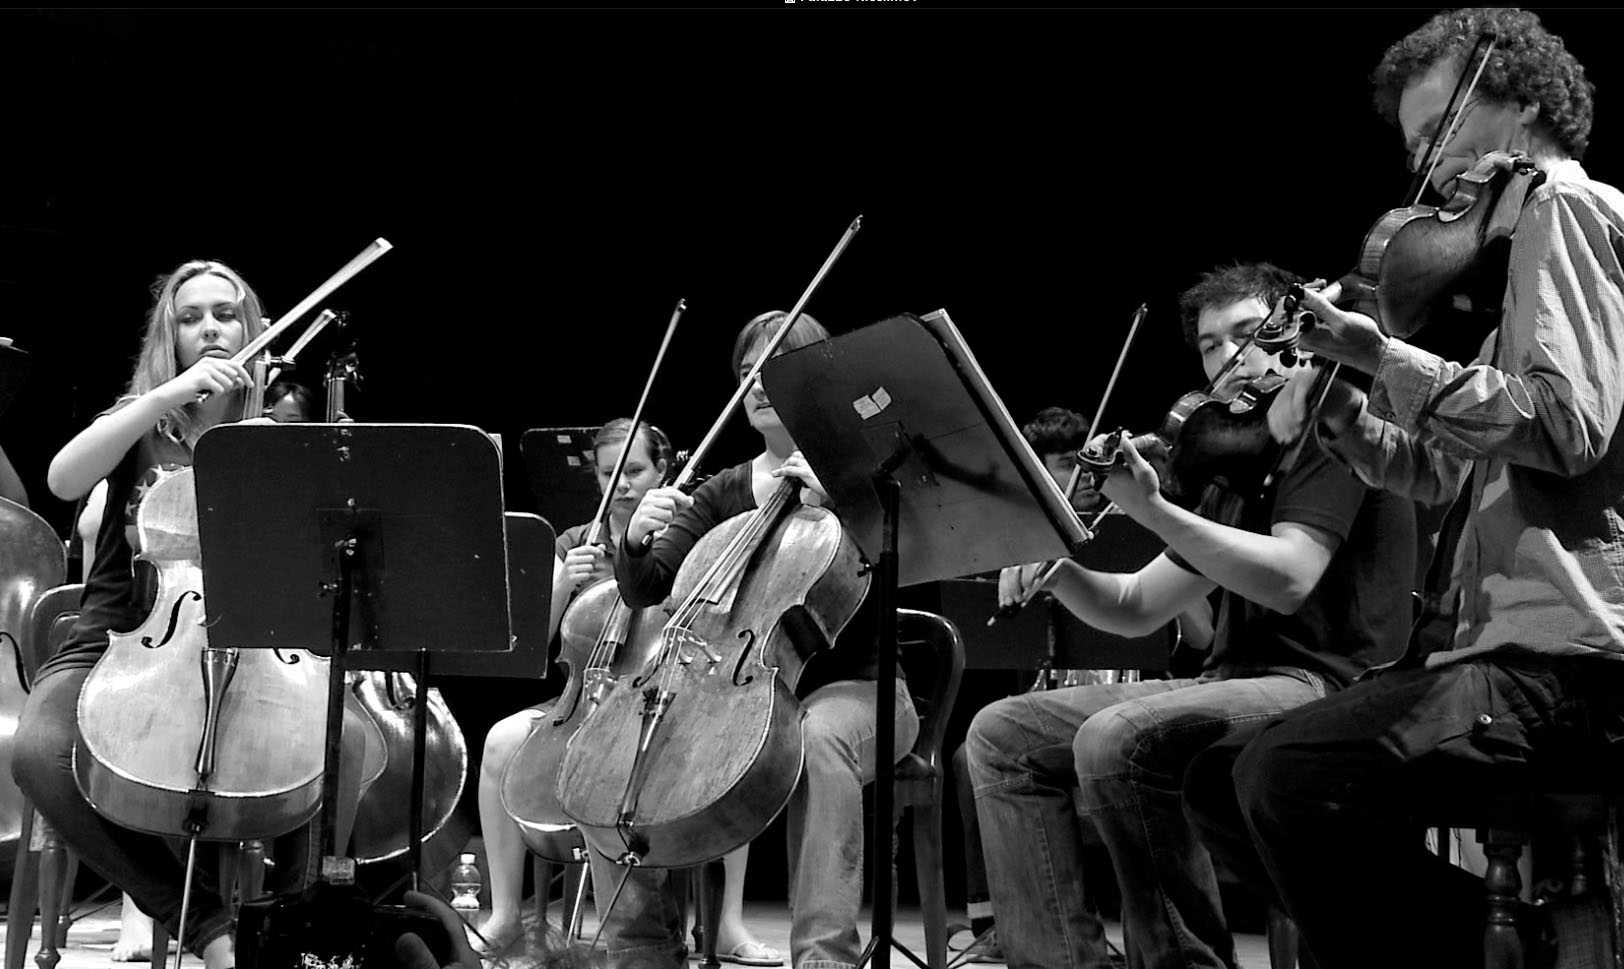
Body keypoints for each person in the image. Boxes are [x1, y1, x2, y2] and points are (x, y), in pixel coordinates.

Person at [1183, 10, 1624, 969]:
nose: (1427, 165)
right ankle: (1526, 947)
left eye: (1439, 130)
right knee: (1220, 780)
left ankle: (1528, 951)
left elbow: (1565, 426)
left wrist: (1382, 354)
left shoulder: (1568, 208)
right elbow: (1438, 472)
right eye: (1416, 144)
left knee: (1286, 779)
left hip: (1569, 661)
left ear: (1520, 103)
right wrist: (1346, 412)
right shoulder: (1505, 281)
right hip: (1489, 652)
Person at [965, 262, 1416, 969]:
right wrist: (1061, 574)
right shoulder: (1236, 462)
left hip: (1329, 684)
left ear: (1295, 332)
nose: (1232, 357)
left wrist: (1153, 509)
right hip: (1236, 682)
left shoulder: (1332, 428)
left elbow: (1291, 577)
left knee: (1115, 739)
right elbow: (1136, 605)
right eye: (1211, 346)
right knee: (1001, 734)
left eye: (1249, 334)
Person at [13, 259, 371, 969]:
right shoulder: (140, 422)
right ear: (170, 337)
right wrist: (164, 395)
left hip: (251, 652)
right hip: (115, 643)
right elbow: (61, 477)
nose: (210, 327)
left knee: (343, 741)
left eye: (226, 314)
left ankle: (289, 933)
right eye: (191, 317)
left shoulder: (272, 438)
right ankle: (209, 928)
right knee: (38, 753)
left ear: (251, 328)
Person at [600, 310, 920, 969]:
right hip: (738, 690)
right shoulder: (722, 491)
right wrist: (633, 539)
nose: (758, 383)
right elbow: (649, 587)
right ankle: (642, 948)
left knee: (816, 736)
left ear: (817, 378)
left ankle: (824, 957)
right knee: (621, 740)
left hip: (862, 690)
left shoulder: (864, 477)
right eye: (748, 371)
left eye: (776, 367)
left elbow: (913, 561)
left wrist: (844, 506)